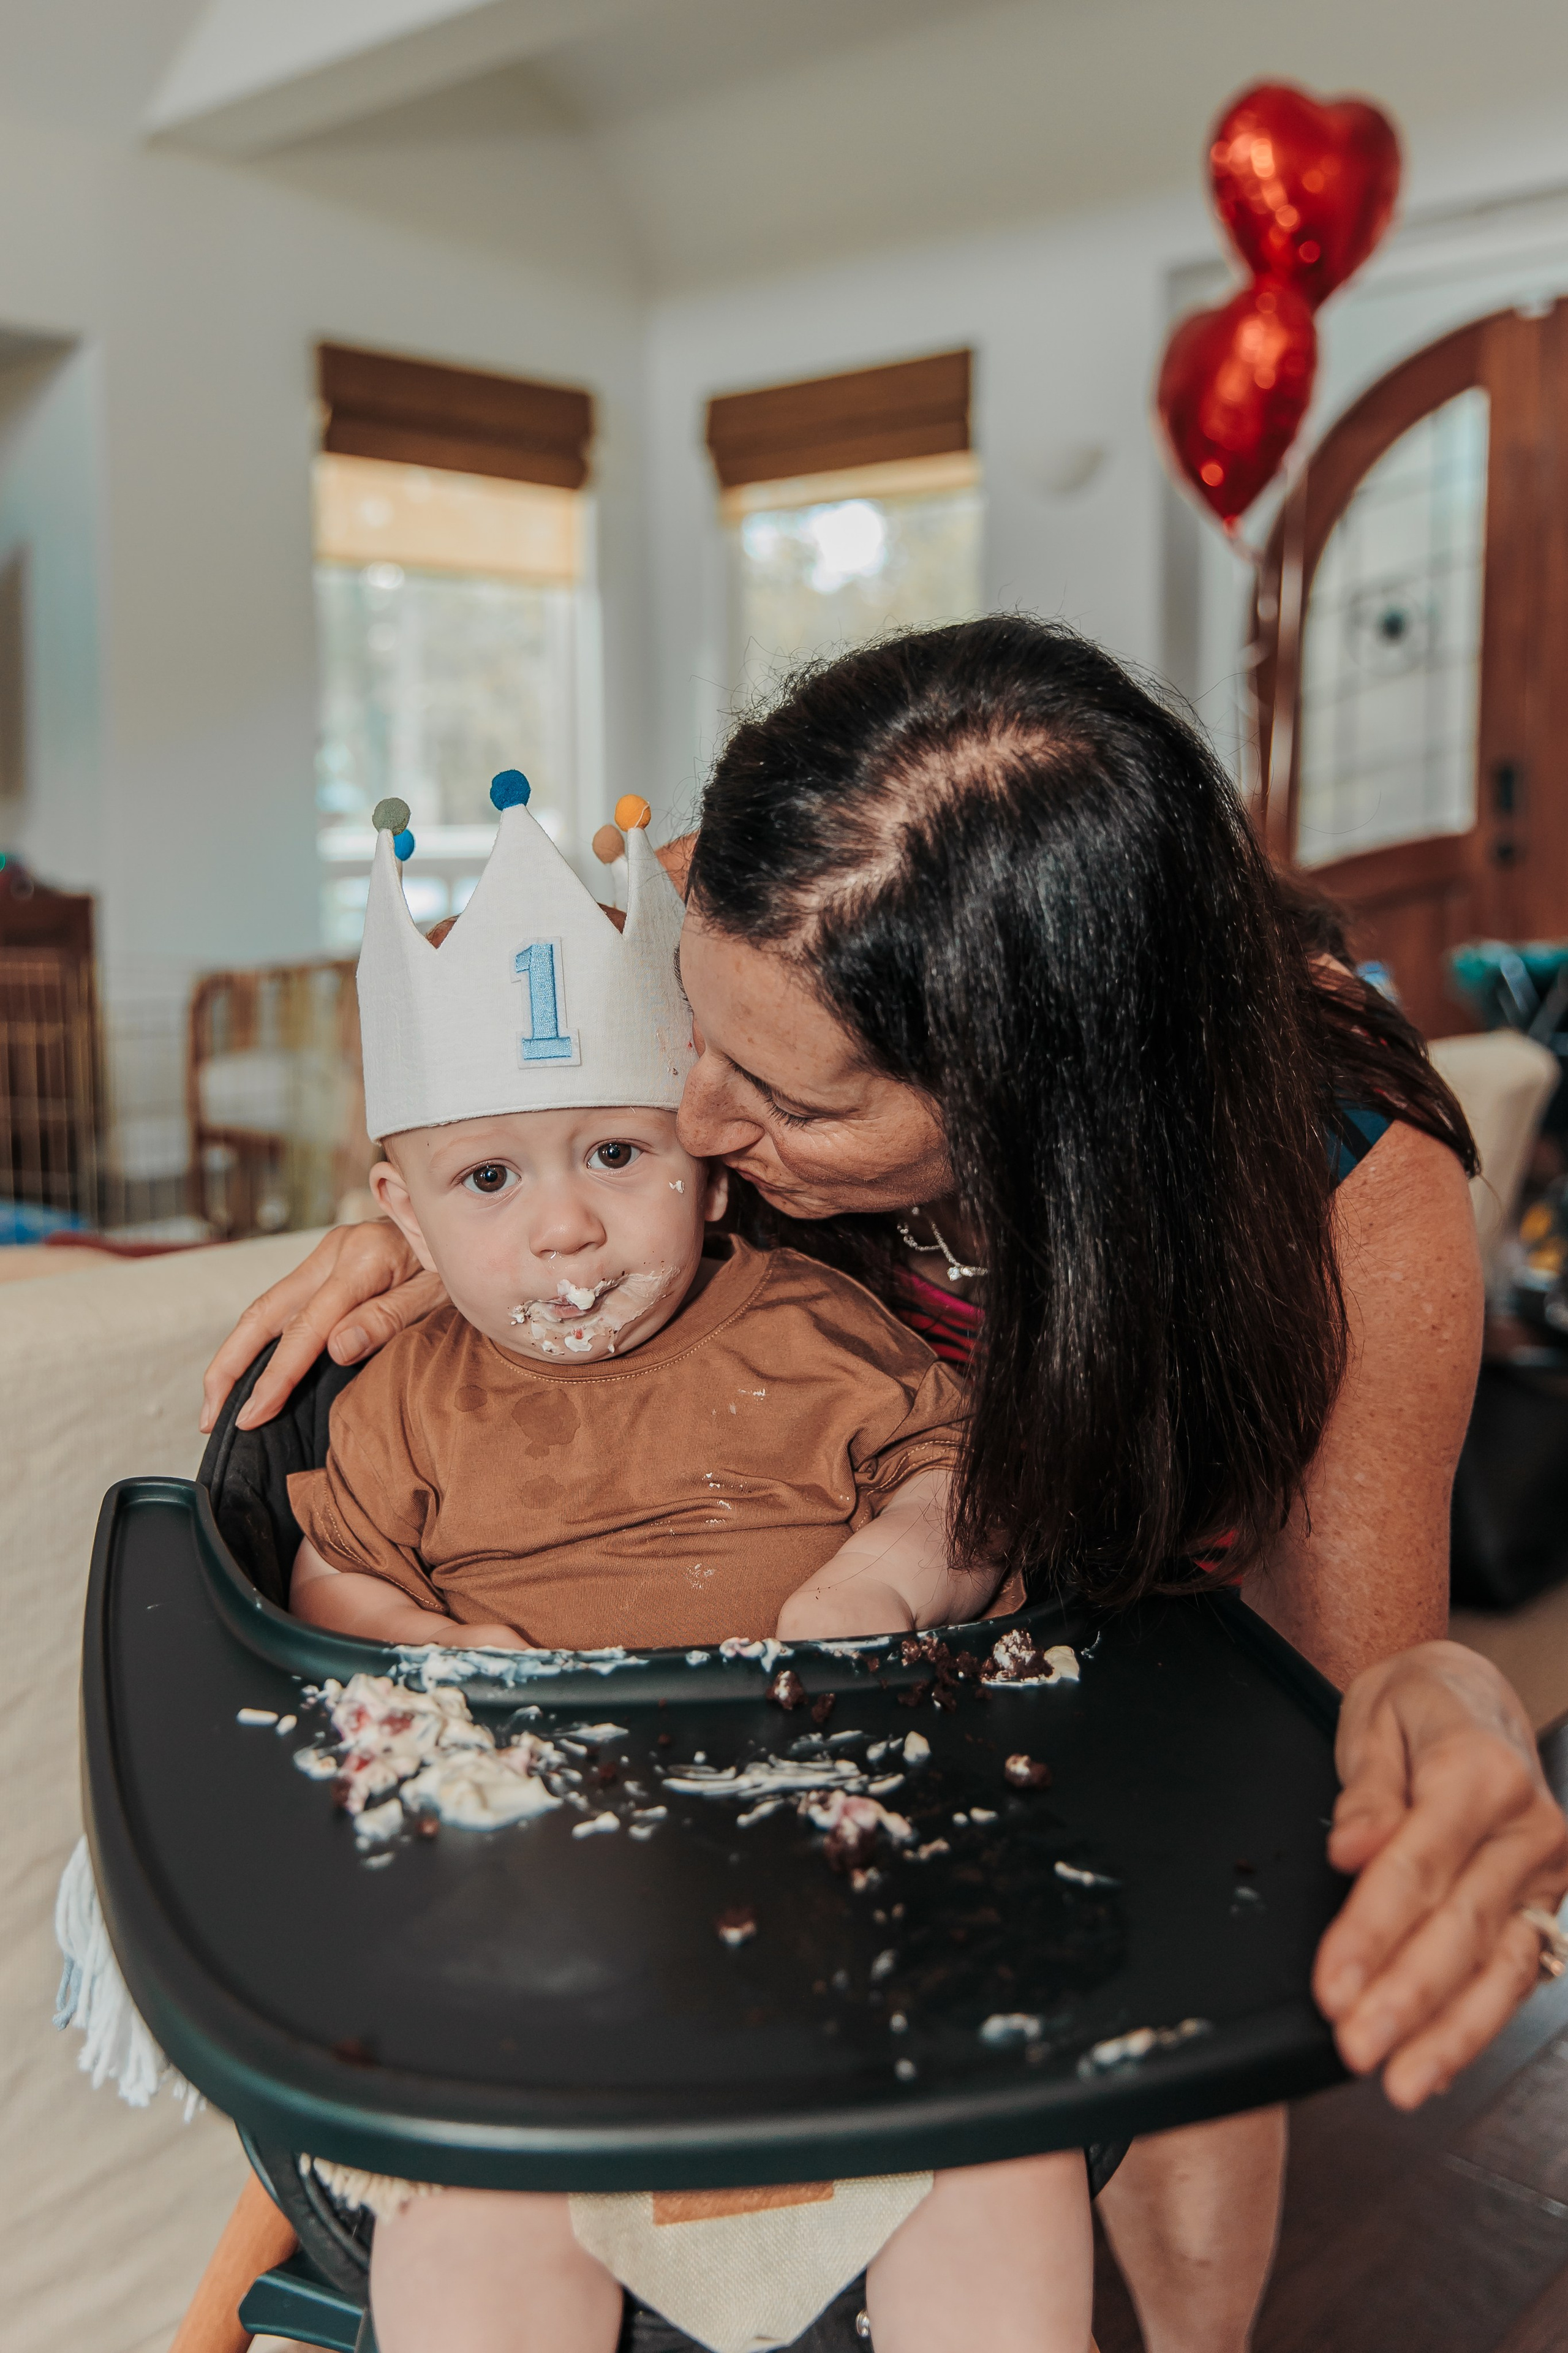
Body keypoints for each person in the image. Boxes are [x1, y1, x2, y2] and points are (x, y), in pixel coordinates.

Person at [206, 620, 1568, 2353]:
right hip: (727, 1678)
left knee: (1129, 2138)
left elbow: (1322, 1708)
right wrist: (436, 1232)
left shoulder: (1343, 1189)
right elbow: (512, 1091)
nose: (693, 1119)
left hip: (1095, 1646)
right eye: (689, 1033)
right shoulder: (778, 904)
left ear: (1032, 1113)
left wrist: (1444, 1712)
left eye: (776, 1096)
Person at [304, 778, 1094, 2353]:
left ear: (709, 1166)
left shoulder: (815, 1329)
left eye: (613, 1153)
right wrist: (447, 1656)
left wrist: (881, 1576)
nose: (566, 1232)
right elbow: (333, 1584)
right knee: (477, 2207)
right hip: (539, 1896)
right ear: (401, 1211)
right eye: (488, 1182)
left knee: (1004, 2150)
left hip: (845, 1851)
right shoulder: (399, 1400)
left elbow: (969, 1483)